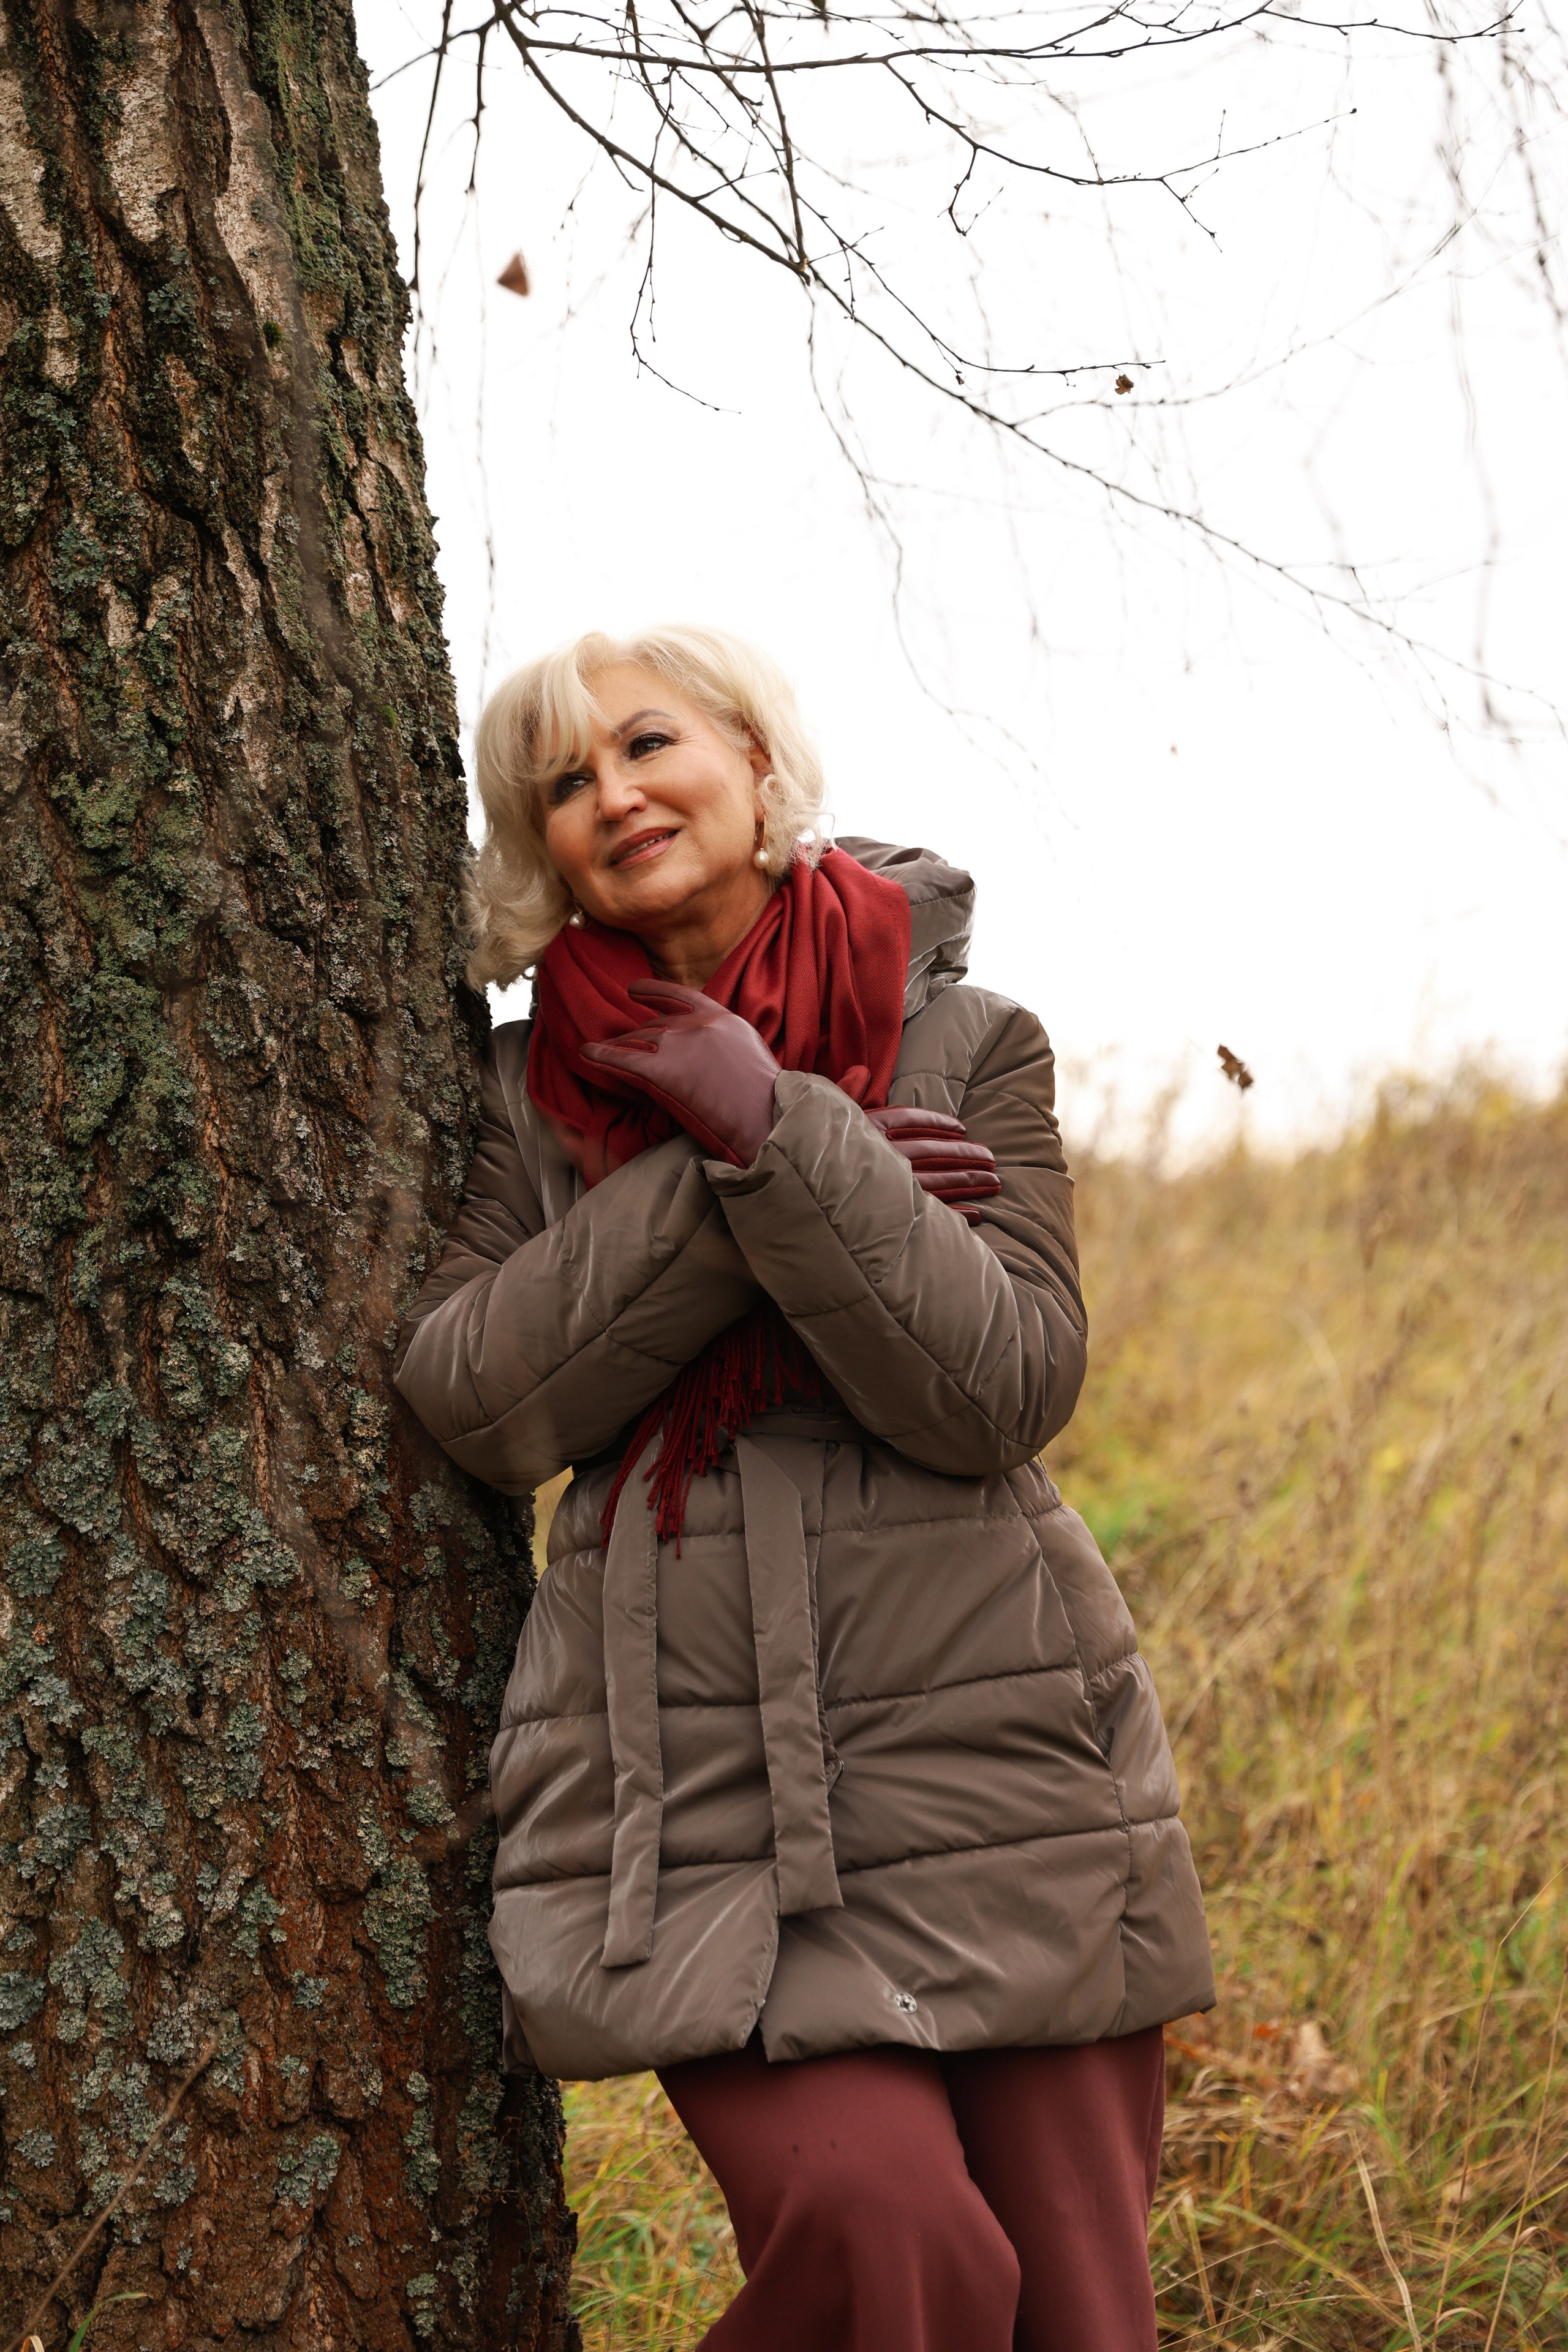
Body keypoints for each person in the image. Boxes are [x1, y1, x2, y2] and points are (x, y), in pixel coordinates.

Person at [394, 625, 1214, 2351]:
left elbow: (996, 1388)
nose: (613, 796)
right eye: (561, 782)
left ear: (760, 767)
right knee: (893, 2243)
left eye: (648, 744)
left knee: (1078, 2314)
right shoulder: (520, 1098)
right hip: (699, 1788)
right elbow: (481, 1399)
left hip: (1004, 1761)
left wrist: (786, 1124)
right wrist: (737, 1180)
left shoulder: (973, 1040)